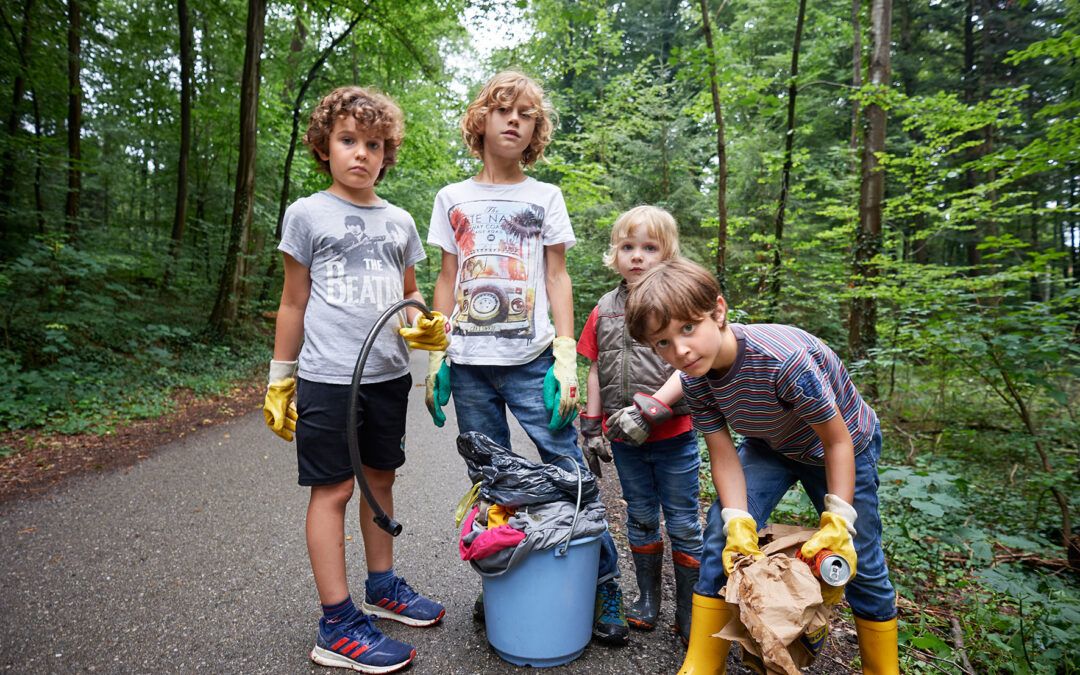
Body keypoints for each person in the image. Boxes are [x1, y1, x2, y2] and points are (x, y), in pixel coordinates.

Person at [425, 70, 628, 646]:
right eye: (503, 109)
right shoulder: (451, 198)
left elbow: (557, 276)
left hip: (531, 359)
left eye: (527, 114)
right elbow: (447, 277)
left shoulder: (545, 197)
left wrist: (566, 356)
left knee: (567, 470)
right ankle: (504, 579)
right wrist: (438, 357)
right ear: (481, 121)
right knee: (490, 477)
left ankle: (603, 582)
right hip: (467, 364)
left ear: (536, 130)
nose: (514, 120)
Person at [624, 257, 899, 675]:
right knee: (720, 530)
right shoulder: (694, 378)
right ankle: (702, 663)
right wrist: (738, 520)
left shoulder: (785, 362)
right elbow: (722, 451)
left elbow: (836, 439)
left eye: (687, 328)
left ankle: (883, 670)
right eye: (661, 342)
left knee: (858, 557)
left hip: (843, 448)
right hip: (772, 444)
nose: (678, 350)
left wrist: (839, 521)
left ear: (718, 312)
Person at [262, 86, 450, 674]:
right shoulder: (306, 214)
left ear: (387, 152)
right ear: (324, 146)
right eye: (348, 140)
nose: (361, 154)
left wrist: (425, 325)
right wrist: (280, 377)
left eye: (374, 144)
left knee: (379, 481)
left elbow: (410, 294)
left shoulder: (398, 221)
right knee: (334, 490)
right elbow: (293, 302)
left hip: (387, 375)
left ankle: (382, 586)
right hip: (327, 377)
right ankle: (337, 623)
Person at [576, 206, 703, 643]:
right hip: (623, 439)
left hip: (674, 435)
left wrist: (652, 408)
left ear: (667, 254)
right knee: (643, 517)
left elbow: (691, 366)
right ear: (615, 254)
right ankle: (648, 600)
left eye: (649, 248)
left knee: (684, 522)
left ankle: (689, 611)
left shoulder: (678, 303)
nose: (637, 256)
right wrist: (591, 424)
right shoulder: (604, 309)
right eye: (628, 247)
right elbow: (594, 368)